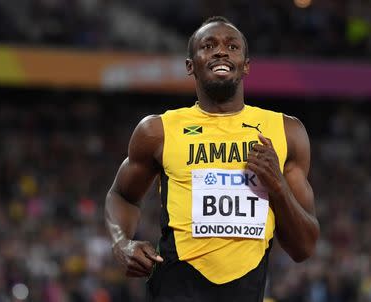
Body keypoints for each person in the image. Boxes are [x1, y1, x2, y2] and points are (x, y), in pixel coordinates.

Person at [105, 16, 320, 302]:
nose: (221, 51)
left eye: (232, 47)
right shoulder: (158, 131)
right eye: (209, 45)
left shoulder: (286, 132)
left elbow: (303, 248)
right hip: (173, 291)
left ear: (246, 65)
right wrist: (122, 243)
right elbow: (121, 195)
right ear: (190, 65)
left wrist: (278, 186)